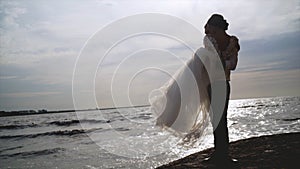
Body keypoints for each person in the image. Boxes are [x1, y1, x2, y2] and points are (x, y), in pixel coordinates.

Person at [203, 14, 240, 164]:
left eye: (210, 27)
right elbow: (220, 62)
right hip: (211, 82)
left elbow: (234, 64)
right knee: (215, 119)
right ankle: (219, 152)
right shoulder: (209, 40)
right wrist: (225, 63)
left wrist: (222, 64)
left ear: (216, 27)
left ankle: (223, 154)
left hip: (222, 83)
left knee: (220, 119)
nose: (208, 30)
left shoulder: (233, 42)